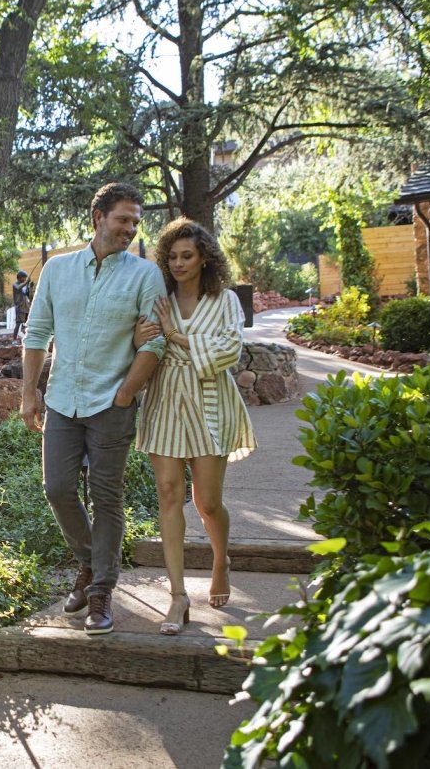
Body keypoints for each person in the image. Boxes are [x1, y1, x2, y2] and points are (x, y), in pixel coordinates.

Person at [20, 182, 167, 635]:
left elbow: (156, 339)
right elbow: (37, 332)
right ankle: (89, 563)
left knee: (107, 499)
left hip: (112, 404)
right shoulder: (57, 269)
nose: (130, 228)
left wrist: (125, 394)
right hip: (63, 399)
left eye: (136, 222)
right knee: (58, 489)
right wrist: (30, 392)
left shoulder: (145, 275)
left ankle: (101, 589)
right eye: (123, 219)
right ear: (98, 218)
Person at [134, 218, 256, 637]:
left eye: (188, 255)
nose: (180, 262)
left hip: (209, 405)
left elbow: (229, 352)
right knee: (168, 494)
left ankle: (221, 558)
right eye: (172, 256)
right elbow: (145, 342)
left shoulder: (225, 300)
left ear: (205, 257)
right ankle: (178, 595)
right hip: (166, 399)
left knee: (207, 502)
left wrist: (177, 337)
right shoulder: (159, 297)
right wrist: (147, 336)